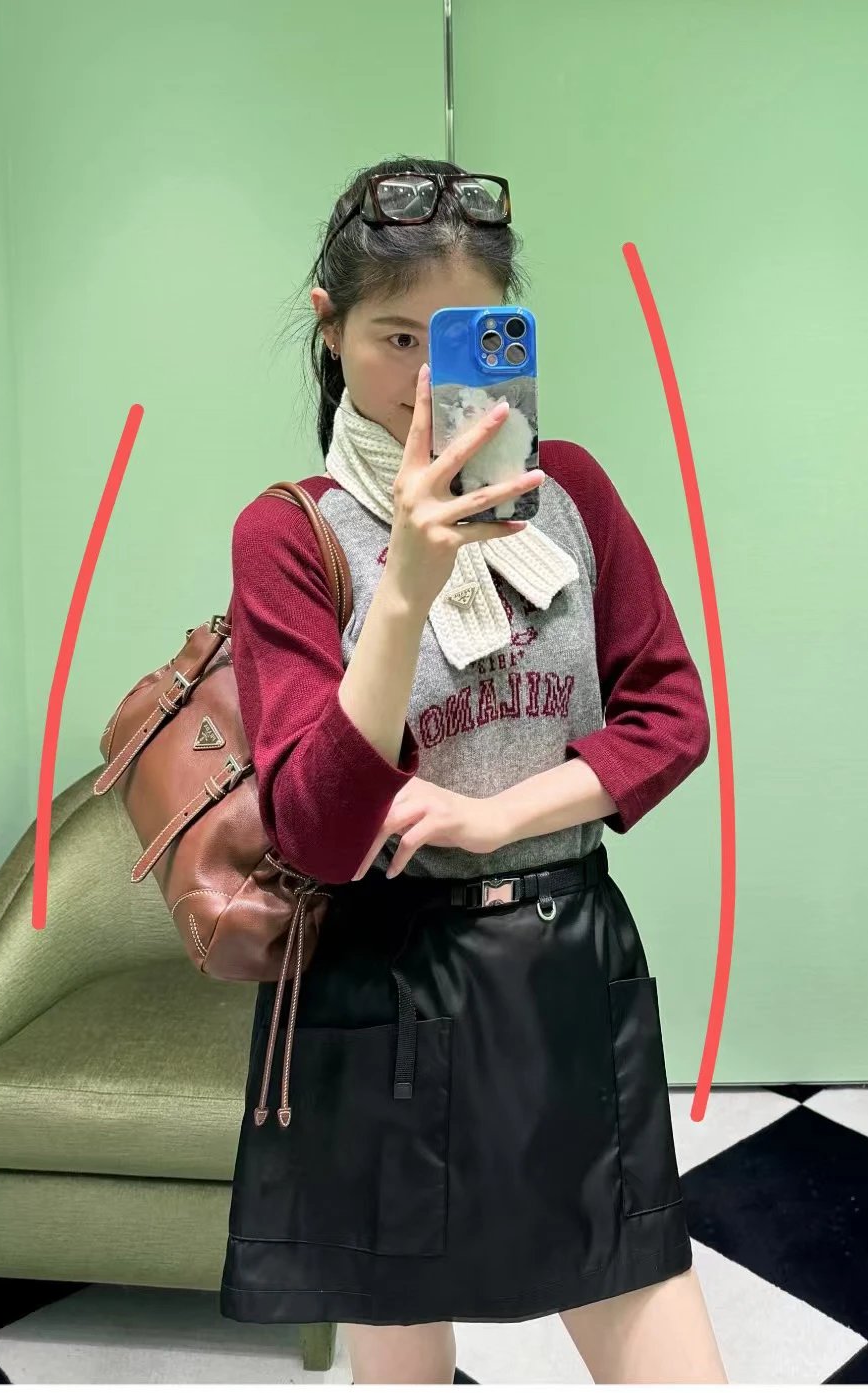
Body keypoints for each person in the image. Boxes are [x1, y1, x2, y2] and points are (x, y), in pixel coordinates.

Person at [219, 155, 729, 1385]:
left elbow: (669, 716)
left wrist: (495, 815)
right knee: (400, 1361)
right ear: (328, 326)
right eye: (395, 337)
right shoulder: (290, 533)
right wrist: (403, 586)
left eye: (462, 341)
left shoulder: (570, 492)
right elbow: (317, 831)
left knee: (661, 1339)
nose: (425, 382)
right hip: (381, 981)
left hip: (565, 965)